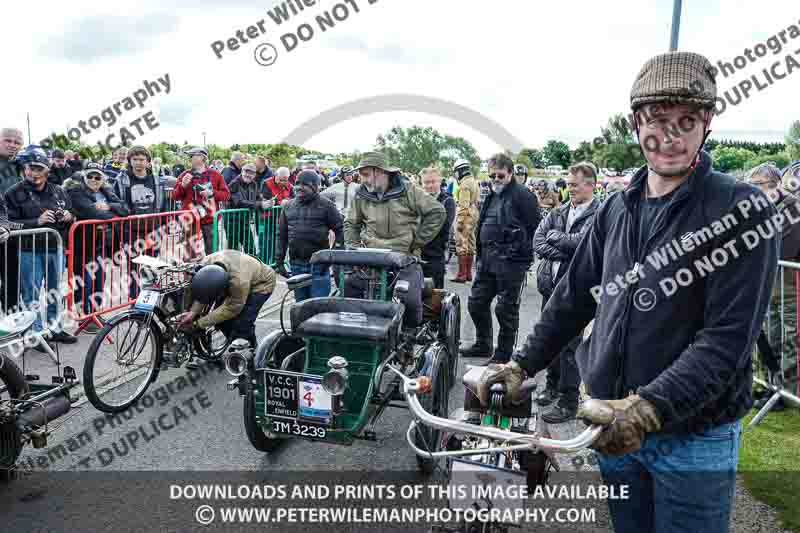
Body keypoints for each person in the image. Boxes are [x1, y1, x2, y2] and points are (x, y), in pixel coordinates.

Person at [477, 52, 780, 533]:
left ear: (707, 124)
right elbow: (573, 298)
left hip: (691, 436)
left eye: (688, 120)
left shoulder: (741, 209)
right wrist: (521, 364)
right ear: (637, 123)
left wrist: (647, 408)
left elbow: (727, 339)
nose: (672, 136)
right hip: (610, 423)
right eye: (659, 120)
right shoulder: (616, 208)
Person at [344, 152, 446, 327]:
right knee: (349, 289)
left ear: (380, 172)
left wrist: (417, 242)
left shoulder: (408, 191)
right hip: (371, 259)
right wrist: (353, 251)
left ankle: (408, 338)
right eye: (360, 175)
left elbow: (437, 212)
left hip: (404, 260)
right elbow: (351, 223)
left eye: (366, 175)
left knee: (409, 300)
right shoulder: (361, 194)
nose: (362, 180)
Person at [533, 162, 601, 423]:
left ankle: (569, 400)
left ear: (590, 184)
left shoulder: (598, 214)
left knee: (571, 347)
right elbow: (537, 241)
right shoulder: (559, 211)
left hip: (576, 292)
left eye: (574, 184)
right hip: (550, 287)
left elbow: (583, 244)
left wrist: (556, 238)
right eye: (568, 184)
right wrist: (562, 246)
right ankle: (551, 386)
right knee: (549, 338)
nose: (568, 189)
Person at [460, 153, 541, 363]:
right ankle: (483, 343)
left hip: (511, 263)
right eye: (492, 175)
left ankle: (504, 354)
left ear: (510, 173)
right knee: (476, 303)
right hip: (487, 260)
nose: (496, 179)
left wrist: (517, 254)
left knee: (505, 309)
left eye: (500, 175)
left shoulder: (523, 195)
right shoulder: (492, 195)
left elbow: (535, 228)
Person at [5, 146, 78, 349]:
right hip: (28, 250)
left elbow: (73, 214)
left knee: (56, 290)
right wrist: (35, 221)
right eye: (30, 168)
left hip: (55, 248)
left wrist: (68, 216)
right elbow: (8, 223)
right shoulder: (13, 192)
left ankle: (55, 329)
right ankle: (35, 334)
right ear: (24, 169)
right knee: (31, 293)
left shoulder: (58, 190)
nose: (34, 173)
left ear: (47, 169)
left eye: (39, 168)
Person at [747, 162, 800, 411]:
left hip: (788, 285)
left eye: (754, 186)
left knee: (790, 338)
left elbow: (782, 249)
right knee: (770, 337)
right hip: (769, 285)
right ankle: (771, 385)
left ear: (772, 185)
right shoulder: (765, 208)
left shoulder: (791, 207)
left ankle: (788, 392)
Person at [177, 250, 276, 351]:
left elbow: (232, 308)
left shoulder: (238, 282)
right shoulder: (205, 265)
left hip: (262, 283)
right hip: (241, 272)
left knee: (243, 323)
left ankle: (250, 352)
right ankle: (234, 342)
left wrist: (197, 324)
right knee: (222, 322)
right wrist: (192, 312)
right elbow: (202, 292)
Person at [68, 163, 129, 318]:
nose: (94, 180)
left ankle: (96, 313)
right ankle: (84, 315)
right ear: (84, 177)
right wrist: (114, 215)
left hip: (104, 244)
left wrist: (108, 206)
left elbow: (126, 210)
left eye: (97, 177)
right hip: (84, 245)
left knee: (100, 280)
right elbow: (92, 213)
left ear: (103, 179)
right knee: (84, 281)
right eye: (90, 176)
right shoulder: (76, 191)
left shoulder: (107, 191)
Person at [275, 170, 343, 301]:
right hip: (296, 264)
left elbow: (340, 231)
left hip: (318, 265)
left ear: (315, 186)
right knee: (301, 306)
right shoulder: (288, 206)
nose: (299, 187)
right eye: (297, 183)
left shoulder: (327, 205)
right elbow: (282, 235)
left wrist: (330, 257)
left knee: (318, 305)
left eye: (305, 184)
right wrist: (279, 261)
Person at [171, 147, 230, 255]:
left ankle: (212, 271)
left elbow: (226, 195)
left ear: (202, 158)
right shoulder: (184, 175)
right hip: (190, 219)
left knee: (212, 252)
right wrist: (182, 185)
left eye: (192, 156)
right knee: (190, 252)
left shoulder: (215, 175)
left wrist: (212, 193)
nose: (189, 159)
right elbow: (174, 196)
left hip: (210, 219)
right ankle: (190, 272)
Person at [0, 128, 24, 313]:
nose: (12, 145)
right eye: (8, 140)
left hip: (14, 234)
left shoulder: (21, 167)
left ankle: (12, 328)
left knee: (12, 283)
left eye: (17, 142)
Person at [420, 167, 456, 289]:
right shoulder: (417, 200)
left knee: (434, 297)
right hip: (417, 255)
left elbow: (443, 227)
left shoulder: (447, 201)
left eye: (433, 182)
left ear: (440, 182)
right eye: (426, 182)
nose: (430, 185)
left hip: (435, 255)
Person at [227, 162, 273, 254]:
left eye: (251, 173)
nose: (248, 175)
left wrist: (266, 201)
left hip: (245, 220)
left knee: (251, 249)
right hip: (232, 221)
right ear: (242, 172)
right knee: (233, 250)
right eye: (246, 172)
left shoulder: (254, 184)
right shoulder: (234, 184)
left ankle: (251, 267)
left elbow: (257, 198)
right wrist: (260, 204)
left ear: (255, 175)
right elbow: (238, 202)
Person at [450, 159, 480, 283]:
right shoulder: (473, 181)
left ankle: (461, 275)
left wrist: (460, 222)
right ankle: (468, 274)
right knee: (470, 243)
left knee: (461, 243)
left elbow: (463, 205)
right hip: (474, 213)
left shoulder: (464, 185)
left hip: (466, 213)